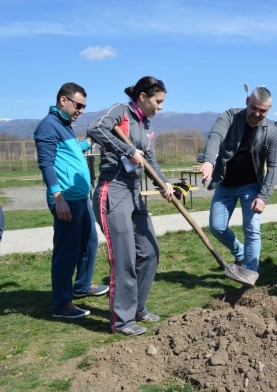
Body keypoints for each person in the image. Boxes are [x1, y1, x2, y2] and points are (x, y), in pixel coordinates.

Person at [87, 76, 174, 336]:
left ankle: (136, 307)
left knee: (149, 251)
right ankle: (122, 321)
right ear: (143, 96)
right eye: (157, 101)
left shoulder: (147, 125)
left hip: (136, 194)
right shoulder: (120, 111)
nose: (160, 107)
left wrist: (164, 184)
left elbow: (150, 160)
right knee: (124, 257)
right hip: (112, 191)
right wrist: (127, 150)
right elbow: (95, 128)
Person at [33, 82, 107, 319]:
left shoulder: (65, 125)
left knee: (89, 243)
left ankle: (82, 286)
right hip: (65, 199)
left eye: (84, 106)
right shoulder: (48, 126)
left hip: (80, 197)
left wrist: (91, 141)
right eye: (79, 105)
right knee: (67, 251)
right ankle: (61, 305)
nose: (81, 111)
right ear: (63, 100)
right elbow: (46, 163)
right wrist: (58, 197)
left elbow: (73, 151)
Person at [200, 87, 277, 287]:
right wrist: (209, 161)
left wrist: (263, 197)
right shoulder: (230, 116)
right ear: (247, 101)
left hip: (251, 186)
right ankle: (240, 252)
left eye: (263, 111)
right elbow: (216, 136)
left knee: (252, 230)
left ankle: (250, 272)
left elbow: (274, 166)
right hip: (225, 183)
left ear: (268, 109)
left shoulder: (271, 130)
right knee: (216, 227)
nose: (257, 114)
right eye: (254, 108)